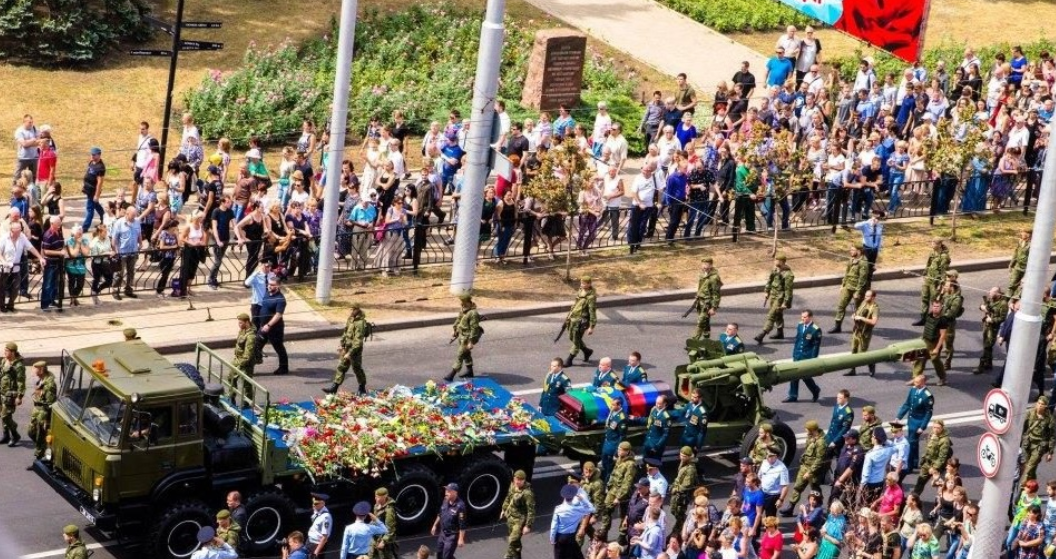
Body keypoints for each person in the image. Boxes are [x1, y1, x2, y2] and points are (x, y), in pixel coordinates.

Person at [782, 420, 828, 516]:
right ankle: (791, 506)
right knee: (797, 486)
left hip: (814, 470)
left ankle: (818, 509)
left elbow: (819, 460)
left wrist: (810, 472)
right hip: (805, 466)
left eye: (807, 428)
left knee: (815, 490)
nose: (805, 430)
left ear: (812, 429)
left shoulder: (821, 442)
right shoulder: (810, 437)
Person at [327, 304, 369, 395]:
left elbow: (358, 342)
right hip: (347, 347)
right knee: (341, 367)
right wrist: (341, 344)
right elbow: (345, 333)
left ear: (357, 310)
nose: (350, 311)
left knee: (357, 368)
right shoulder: (350, 319)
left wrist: (350, 353)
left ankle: (362, 387)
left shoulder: (360, 323)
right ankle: (334, 388)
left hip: (355, 350)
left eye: (352, 310)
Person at [897, 375, 935, 473]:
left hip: (918, 423)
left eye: (916, 382)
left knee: (910, 443)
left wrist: (922, 427)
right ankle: (914, 462)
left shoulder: (927, 396)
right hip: (911, 421)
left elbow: (928, 413)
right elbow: (907, 404)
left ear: (922, 383)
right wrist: (899, 416)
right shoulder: (913, 390)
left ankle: (909, 467)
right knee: (913, 443)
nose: (914, 384)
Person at [599, 441, 637, 537]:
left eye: (621, 450)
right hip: (613, 490)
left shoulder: (630, 464)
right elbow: (614, 474)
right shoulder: (619, 459)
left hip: (623, 493)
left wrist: (619, 497)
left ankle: (622, 535)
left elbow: (627, 483)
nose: (619, 451)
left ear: (627, 451)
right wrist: (609, 486)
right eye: (619, 449)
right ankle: (604, 531)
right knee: (606, 509)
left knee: (623, 514)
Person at [755, 254, 795, 344]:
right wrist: (767, 291)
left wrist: (786, 303)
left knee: (772, 315)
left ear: (782, 261)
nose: (775, 261)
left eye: (777, 260)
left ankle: (762, 334)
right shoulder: (775, 269)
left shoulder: (788, 275)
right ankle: (780, 333)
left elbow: (788, 290)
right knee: (778, 314)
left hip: (780, 297)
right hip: (773, 295)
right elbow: (770, 280)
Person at [785, 310, 823, 403]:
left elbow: (815, 346)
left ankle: (815, 390)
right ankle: (793, 395)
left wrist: (813, 359)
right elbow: (798, 340)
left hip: (807, 356)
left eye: (805, 317)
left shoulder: (816, 329)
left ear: (810, 317)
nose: (803, 319)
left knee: (805, 377)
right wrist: (794, 353)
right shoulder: (800, 325)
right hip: (798, 355)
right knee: (793, 375)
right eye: (802, 317)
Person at [831, 246, 869, 333]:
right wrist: (843, 285)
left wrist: (858, 292)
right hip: (848, 286)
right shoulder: (851, 259)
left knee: (858, 309)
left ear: (859, 251)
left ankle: (859, 326)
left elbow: (862, 279)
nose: (850, 251)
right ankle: (837, 326)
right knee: (841, 306)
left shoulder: (863, 262)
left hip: (857, 288)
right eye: (851, 249)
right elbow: (847, 273)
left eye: (853, 250)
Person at [551, 483, 595, 559]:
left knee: (559, 556)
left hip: (560, 536)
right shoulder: (578, 510)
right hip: (571, 536)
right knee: (573, 554)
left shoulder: (558, 509)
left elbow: (554, 526)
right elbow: (591, 509)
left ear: (563, 497)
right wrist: (583, 500)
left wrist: (552, 539)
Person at [445, 294, 482, 381]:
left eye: (464, 303)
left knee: (460, 354)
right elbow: (459, 320)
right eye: (462, 303)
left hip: (468, 337)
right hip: (462, 335)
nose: (462, 305)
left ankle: (451, 374)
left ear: (469, 303)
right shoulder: (463, 310)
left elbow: (474, 328)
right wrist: (455, 330)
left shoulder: (473, 313)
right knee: (466, 354)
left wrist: (471, 342)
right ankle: (470, 371)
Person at [912, 301, 949, 385]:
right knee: (920, 358)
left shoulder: (942, 320)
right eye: (934, 306)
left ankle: (942, 378)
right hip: (925, 340)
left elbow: (943, 335)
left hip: (935, 343)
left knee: (935, 359)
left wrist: (937, 348)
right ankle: (916, 378)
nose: (935, 308)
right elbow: (924, 324)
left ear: (941, 308)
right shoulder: (929, 315)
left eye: (938, 306)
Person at [563, 276, 598, 367]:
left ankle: (570, 359)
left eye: (584, 283)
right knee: (572, 337)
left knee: (576, 341)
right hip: (573, 318)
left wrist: (591, 326)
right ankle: (587, 351)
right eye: (581, 283)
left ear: (589, 284)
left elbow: (592, 311)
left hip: (581, 322)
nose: (581, 285)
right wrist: (569, 316)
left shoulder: (591, 297)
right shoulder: (580, 290)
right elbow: (575, 304)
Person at [914, 240, 950, 326]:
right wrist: (924, 273)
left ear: (939, 244)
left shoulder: (944, 256)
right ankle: (923, 318)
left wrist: (941, 284)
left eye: (934, 243)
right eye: (932, 243)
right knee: (924, 298)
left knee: (935, 301)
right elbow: (928, 264)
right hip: (928, 279)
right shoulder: (932, 253)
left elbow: (944, 271)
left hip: (936, 281)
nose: (932, 245)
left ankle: (938, 319)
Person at [500, 470, 535, 559]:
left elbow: (531, 511)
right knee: (516, 543)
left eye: (520, 479)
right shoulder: (513, 486)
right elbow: (508, 498)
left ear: (524, 480)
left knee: (512, 540)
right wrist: (503, 510)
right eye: (516, 479)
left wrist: (528, 526)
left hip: (519, 521)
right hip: (510, 518)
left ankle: (508, 556)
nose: (518, 481)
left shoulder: (527, 494)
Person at [259, 275, 289, 376]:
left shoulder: (280, 299)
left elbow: (278, 315)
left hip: (274, 328)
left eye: (272, 285)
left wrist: (268, 325)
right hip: (263, 326)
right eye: (268, 284)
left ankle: (283, 367)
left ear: (278, 286)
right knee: (256, 346)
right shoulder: (267, 293)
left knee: (278, 347)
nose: (269, 286)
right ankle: (248, 366)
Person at [911, 420, 952, 496]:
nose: (936, 429)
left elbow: (942, 457)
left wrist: (934, 468)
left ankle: (943, 503)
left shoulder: (944, 440)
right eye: (934, 427)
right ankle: (914, 499)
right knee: (920, 481)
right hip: (927, 463)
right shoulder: (931, 434)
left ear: (942, 428)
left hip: (936, 466)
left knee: (940, 487)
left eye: (938, 428)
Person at [1019, 396, 1055, 482]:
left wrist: (1050, 452)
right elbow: (1023, 428)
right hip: (1028, 443)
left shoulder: (1050, 418)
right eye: (1038, 403)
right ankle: (1033, 487)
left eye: (1042, 404)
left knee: (1028, 469)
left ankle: (1020, 491)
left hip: (1039, 447)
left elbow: (1052, 436)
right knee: (1030, 468)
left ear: (1045, 406)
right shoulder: (1030, 413)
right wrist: (1019, 442)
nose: (1039, 406)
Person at [110, 206, 142, 301]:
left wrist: (140, 243)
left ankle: (128, 289)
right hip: (122, 253)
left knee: (131, 272)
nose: (134, 217)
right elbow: (114, 239)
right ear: (127, 214)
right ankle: (115, 290)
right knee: (119, 273)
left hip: (133, 251)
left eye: (135, 215)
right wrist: (116, 251)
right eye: (132, 215)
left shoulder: (137, 222)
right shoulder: (119, 223)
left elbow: (139, 233)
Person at [846, 290, 880, 376]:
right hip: (856, 331)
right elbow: (858, 312)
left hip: (865, 334)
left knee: (863, 354)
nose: (865, 297)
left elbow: (873, 322)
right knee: (853, 351)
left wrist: (861, 318)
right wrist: (854, 316)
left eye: (868, 296)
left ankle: (871, 363)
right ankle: (852, 369)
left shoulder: (875, 308)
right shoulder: (863, 303)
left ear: (873, 297)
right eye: (865, 296)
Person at [975, 287, 1009, 374]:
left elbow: (1003, 318)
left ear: (998, 294)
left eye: (992, 292)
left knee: (987, 346)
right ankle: (989, 363)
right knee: (987, 345)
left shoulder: (1003, 304)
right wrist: (982, 307)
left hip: (993, 328)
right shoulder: (990, 299)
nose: (989, 293)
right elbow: (982, 305)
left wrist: (992, 320)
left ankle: (981, 365)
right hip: (986, 325)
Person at [27, 361, 56, 460]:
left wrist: (46, 420)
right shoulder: (41, 380)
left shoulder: (50, 384)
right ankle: (43, 447)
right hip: (37, 410)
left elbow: (50, 403)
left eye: (36, 368)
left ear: (42, 370)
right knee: (31, 432)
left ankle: (38, 458)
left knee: (40, 435)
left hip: (43, 413)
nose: (34, 371)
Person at [0, 342, 26, 446]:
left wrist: (19, 397)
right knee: (2, 414)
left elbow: (21, 382)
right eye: (5, 350)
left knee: (5, 416)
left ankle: (15, 435)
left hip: (10, 394)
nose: (4, 352)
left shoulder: (18, 366)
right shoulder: (3, 361)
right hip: (1, 392)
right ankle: (6, 435)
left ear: (13, 352)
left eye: (7, 351)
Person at [938, 271, 964, 372]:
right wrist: (940, 294)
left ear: (952, 288)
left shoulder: (957, 299)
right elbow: (936, 303)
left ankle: (947, 362)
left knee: (948, 345)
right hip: (940, 322)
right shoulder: (945, 295)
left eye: (946, 286)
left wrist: (941, 314)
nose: (944, 286)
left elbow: (951, 313)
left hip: (948, 324)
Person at [432, 483, 466, 559]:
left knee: (446, 557)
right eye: (446, 490)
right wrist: (434, 525)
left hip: (452, 536)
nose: (446, 492)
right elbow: (440, 514)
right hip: (442, 533)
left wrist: (461, 539)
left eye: (449, 491)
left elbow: (462, 524)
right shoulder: (445, 500)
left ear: (455, 492)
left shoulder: (460, 506)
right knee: (439, 555)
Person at [830, 430, 864, 506]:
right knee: (833, 496)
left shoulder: (858, 450)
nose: (845, 439)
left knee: (842, 500)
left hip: (846, 480)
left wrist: (840, 480)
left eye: (848, 438)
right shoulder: (846, 445)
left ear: (854, 439)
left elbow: (851, 468)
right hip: (838, 476)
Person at [669, 446, 698, 534]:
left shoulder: (690, 469)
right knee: (673, 510)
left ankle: (677, 531)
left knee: (679, 513)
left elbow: (687, 484)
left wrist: (676, 489)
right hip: (677, 492)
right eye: (681, 455)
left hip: (682, 495)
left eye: (684, 456)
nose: (681, 457)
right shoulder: (683, 463)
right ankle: (684, 522)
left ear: (689, 457)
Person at [230, 313, 258, 404]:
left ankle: (247, 402)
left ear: (247, 322)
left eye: (241, 323)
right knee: (230, 378)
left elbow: (247, 355)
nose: (239, 325)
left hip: (246, 363)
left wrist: (239, 364)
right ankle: (231, 397)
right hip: (238, 359)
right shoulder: (242, 330)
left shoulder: (251, 337)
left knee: (246, 383)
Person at [692, 257, 722, 340]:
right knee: (705, 322)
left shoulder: (714, 278)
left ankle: (694, 340)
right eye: (703, 264)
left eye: (707, 264)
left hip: (707, 303)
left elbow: (716, 294)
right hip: (700, 302)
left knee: (701, 321)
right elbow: (701, 287)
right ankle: (706, 338)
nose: (704, 266)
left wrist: (714, 307)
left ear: (711, 265)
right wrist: (698, 295)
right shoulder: (703, 274)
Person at [600, 402, 629, 481]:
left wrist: (617, 452)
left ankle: (608, 485)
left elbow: (622, 436)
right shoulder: (612, 413)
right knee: (604, 465)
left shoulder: (622, 418)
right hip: (607, 445)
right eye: (611, 404)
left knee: (610, 469)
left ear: (619, 405)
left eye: (613, 405)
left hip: (613, 446)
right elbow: (609, 424)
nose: (611, 406)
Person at [759, 445, 790, 517]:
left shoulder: (782, 468)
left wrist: (781, 500)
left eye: (769, 456)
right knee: (756, 514)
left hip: (772, 496)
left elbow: (785, 486)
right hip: (762, 492)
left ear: (775, 456)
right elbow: (760, 476)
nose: (767, 457)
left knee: (770, 518)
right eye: (766, 454)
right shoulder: (764, 462)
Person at [81, 147, 107, 232]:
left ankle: (85, 227)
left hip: (93, 190)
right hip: (88, 189)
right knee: (96, 205)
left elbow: (100, 182)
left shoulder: (100, 167)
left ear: (99, 155)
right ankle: (104, 218)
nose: (92, 156)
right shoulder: (92, 162)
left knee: (89, 209)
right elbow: (88, 173)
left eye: (94, 155)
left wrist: (96, 195)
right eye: (91, 154)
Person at [825, 389, 855, 455]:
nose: (837, 399)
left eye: (840, 398)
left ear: (846, 399)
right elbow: (833, 422)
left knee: (839, 458)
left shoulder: (848, 412)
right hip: (830, 437)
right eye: (837, 397)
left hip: (838, 441)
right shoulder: (837, 406)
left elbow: (844, 429)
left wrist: (835, 442)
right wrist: (827, 436)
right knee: (826, 458)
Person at [641, 395, 671, 461]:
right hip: (648, 444)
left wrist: (656, 447)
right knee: (645, 462)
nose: (657, 405)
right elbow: (650, 424)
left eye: (659, 404)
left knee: (654, 465)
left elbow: (665, 435)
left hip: (655, 447)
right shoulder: (654, 411)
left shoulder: (666, 417)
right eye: (656, 403)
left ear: (665, 404)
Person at [680, 387, 708, 453]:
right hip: (685, 438)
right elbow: (682, 412)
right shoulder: (690, 404)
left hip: (692, 442)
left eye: (695, 397)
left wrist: (698, 445)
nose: (692, 398)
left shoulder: (702, 413)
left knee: (690, 461)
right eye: (692, 396)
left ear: (700, 398)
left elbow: (702, 431)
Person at [373, 487, 398, 559]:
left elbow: (390, 529)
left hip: (386, 541)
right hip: (378, 537)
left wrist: (383, 541)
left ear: (384, 497)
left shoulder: (389, 511)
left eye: (377, 497)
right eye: (375, 496)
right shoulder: (377, 505)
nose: (375, 498)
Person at [306, 492, 332, 559]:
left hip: (316, 544)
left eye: (316, 503)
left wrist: (316, 552)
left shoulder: (326, 517)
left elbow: (324, 537)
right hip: (310, 541)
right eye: (313, 503)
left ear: (323, 503)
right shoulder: (317, 510)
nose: (313, 505)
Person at [1009, 229, 1031, 296]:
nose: (1022, 234)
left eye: (1023, 233)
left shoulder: (1032, 244)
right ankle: (1006, 300)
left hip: (1026, 268)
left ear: (1028, 234)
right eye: (1022, 233)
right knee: (1012, 283)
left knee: (1022, 285)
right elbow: (1016, 253)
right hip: (1018, 266)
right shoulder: (1020, 241)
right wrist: (1011, 264)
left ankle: (1015, 300)